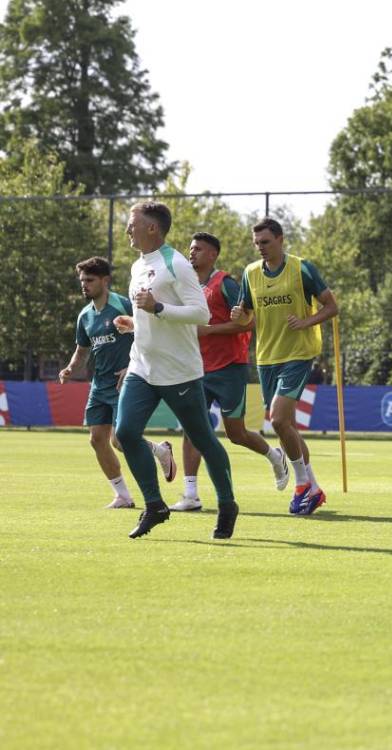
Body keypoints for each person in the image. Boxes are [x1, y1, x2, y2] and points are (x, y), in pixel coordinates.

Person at [112, 203, 239, 540]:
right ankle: (154, 505)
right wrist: (135, 324)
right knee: (124, 433)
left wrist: (158, 308)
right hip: (142, 366)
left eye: (132, 224)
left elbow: (201, 314)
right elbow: (149, 314)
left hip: (179, 371)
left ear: (152, 229)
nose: (127, 229)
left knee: (203, 440)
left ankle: (227, 504)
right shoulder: (139, 264)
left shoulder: (176, 264)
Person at [172, 232, 289, 511]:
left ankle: (274, 456)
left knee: (236, 434)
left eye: (198, 249)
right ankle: (190, 495)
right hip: (197, 369)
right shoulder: (186, 286)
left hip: (229, 369)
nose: (192, 253)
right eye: (190, 249)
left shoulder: (225, 283)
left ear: (213, 255)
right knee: (192, 427)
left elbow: (250, 321)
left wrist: (209, 331)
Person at [230, 218, 339, 515]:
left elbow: (332, 306)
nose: (260, 248)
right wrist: (238, 315)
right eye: (257, 243)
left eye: (265, 242)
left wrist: (306, 321)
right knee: (286, 426)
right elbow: (245, 319)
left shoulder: (301, 268)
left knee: (277, 420)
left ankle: (302, 484)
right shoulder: (251, 273)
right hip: (267, 357)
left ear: (280, 239)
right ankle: (314, 488)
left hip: (299, 353)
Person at [58, 256, 175, 509]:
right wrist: (70, 368)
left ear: (105, 280)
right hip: (99, 386)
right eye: (82, 281)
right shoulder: (85, 316)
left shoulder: (123, 304)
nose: (84, 285)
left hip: (126, 383)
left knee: (120, 441)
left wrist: (133, 365)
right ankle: (123, 495)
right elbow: (82, 350)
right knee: (97, 440)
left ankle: (159, 452)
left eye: (89, 280)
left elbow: (148, 332)